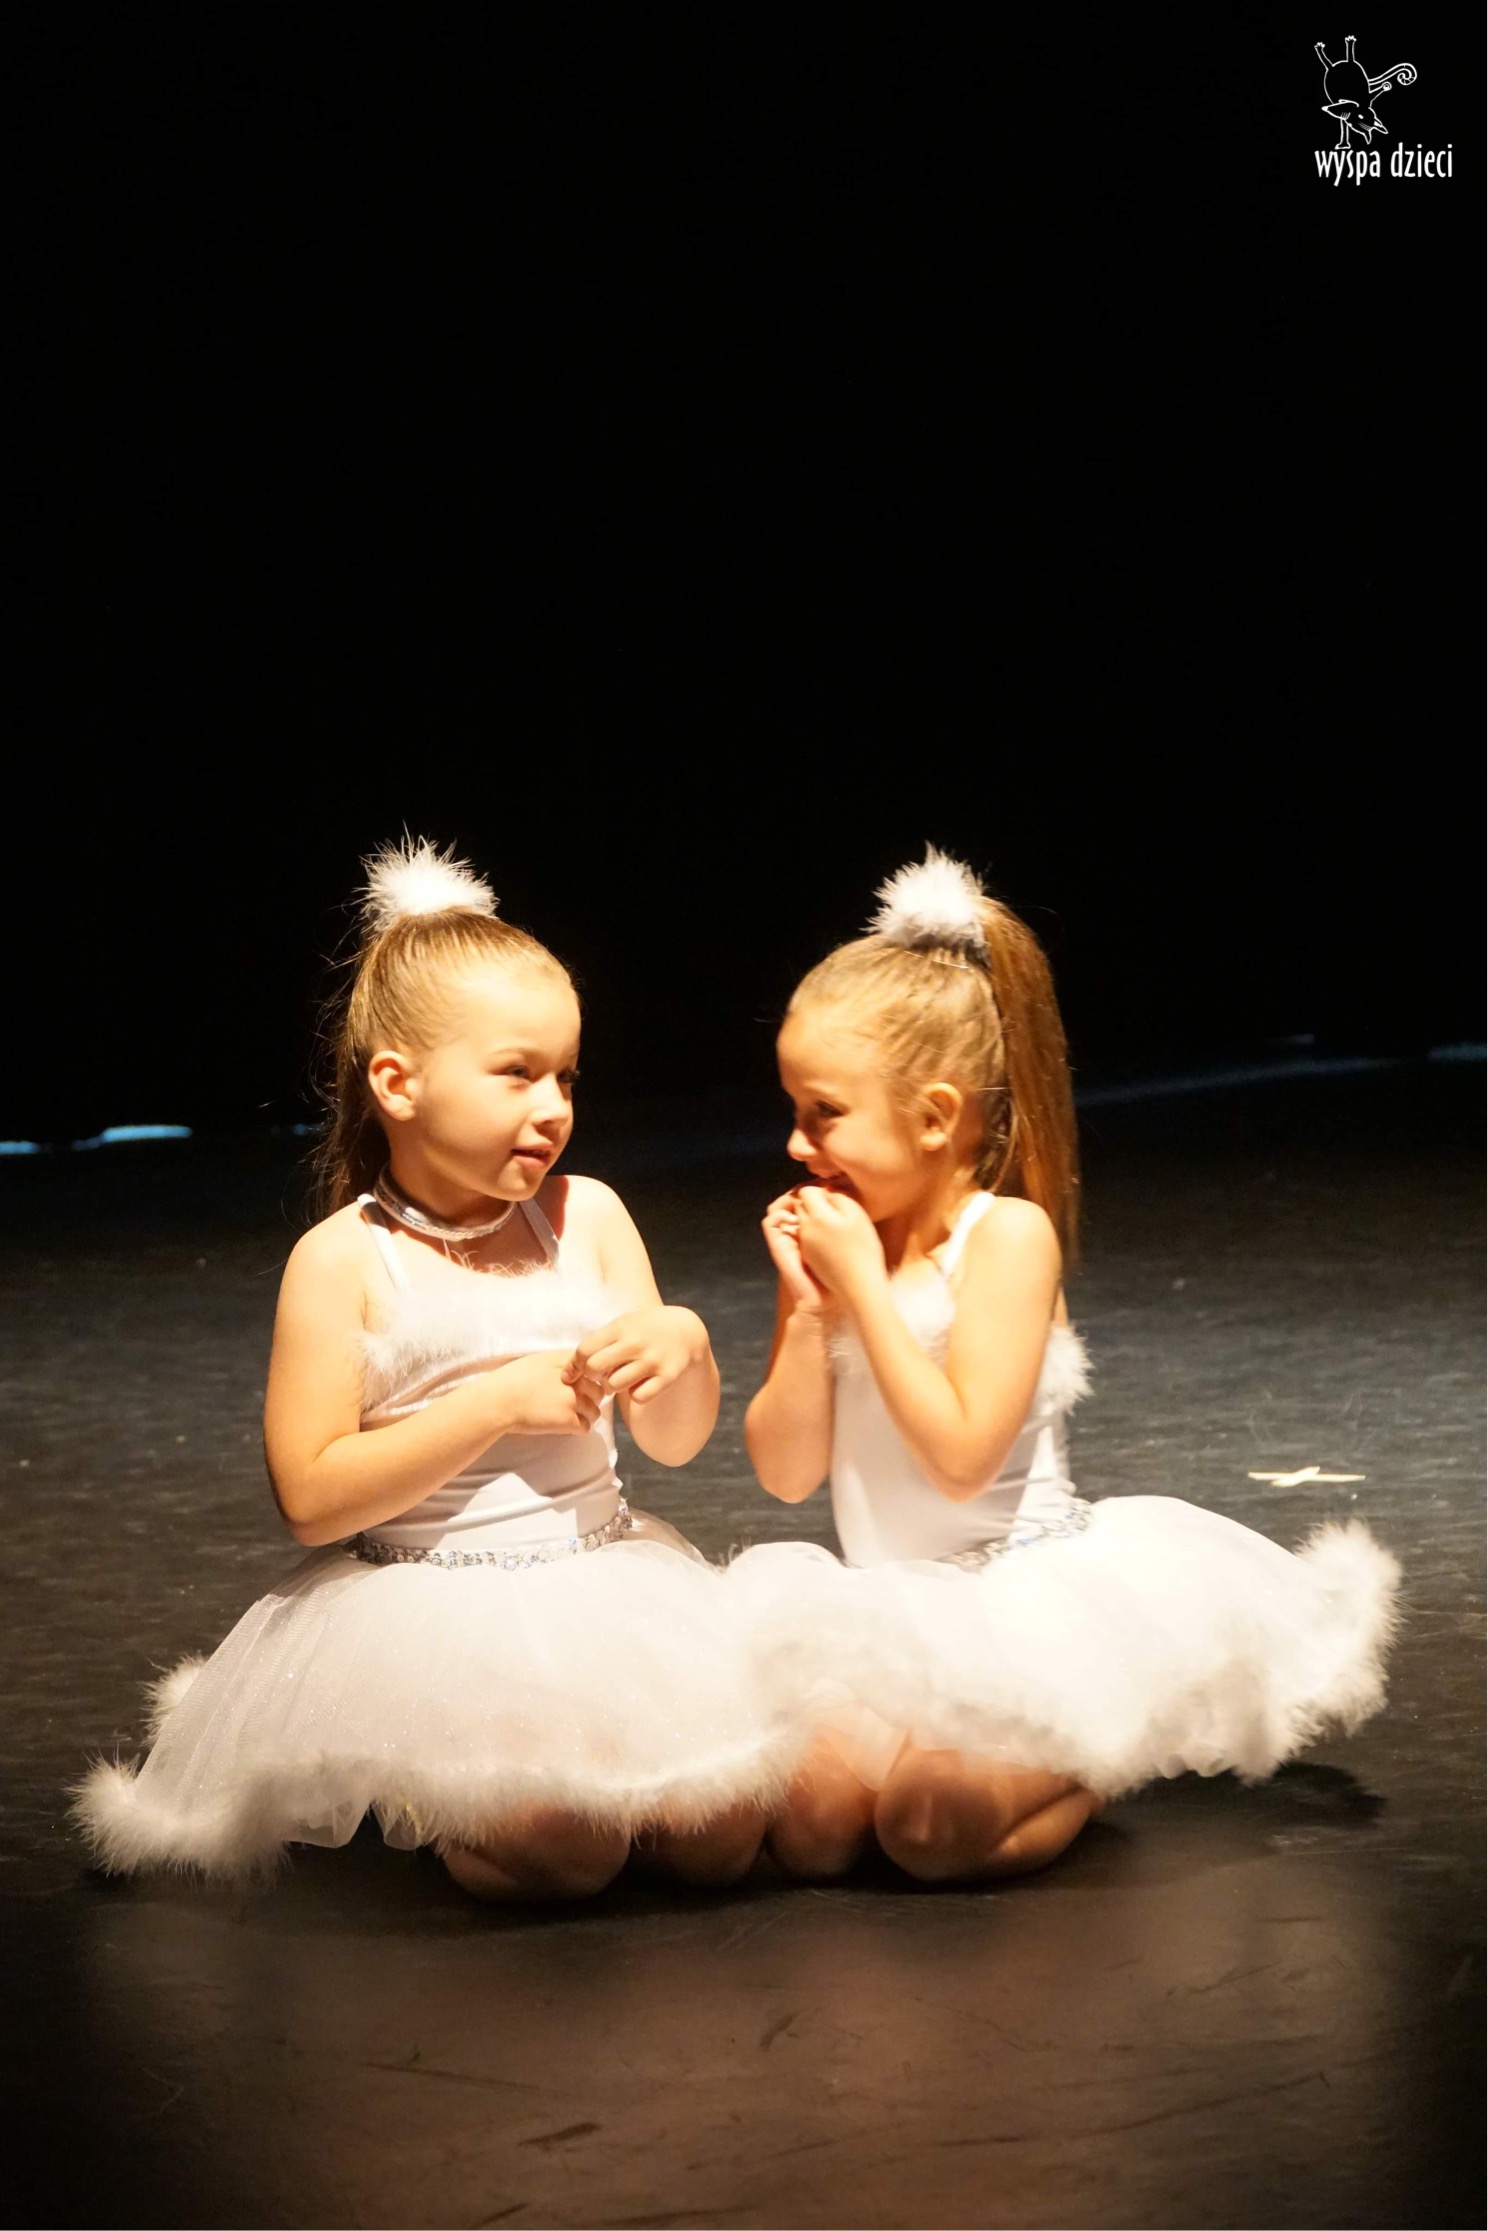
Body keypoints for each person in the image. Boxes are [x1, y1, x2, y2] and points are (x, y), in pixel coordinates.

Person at [76, 839, 792, 1900]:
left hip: (602, 1577)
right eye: (517, 1073)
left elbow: (674, 1441)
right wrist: (492, 1405)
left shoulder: (588, 1216)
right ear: (398, 1084)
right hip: (435, 1610)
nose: (553, 1106)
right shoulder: (342, 1260)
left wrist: (682, 1347)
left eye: (566, 1076)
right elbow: (312, 1497)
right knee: (561, 1846)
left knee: (720, 1833)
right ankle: (418, 1783)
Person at [740, 848, 1400, 1885]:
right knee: (810, 1828)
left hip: (1015, 1603)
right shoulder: (845, 1244)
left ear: (935, 1116)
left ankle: (1100, 1756)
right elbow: (784, 1473)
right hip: (888, 1603)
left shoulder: (1006, 1238)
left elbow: (962, 1458)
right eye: (793, 1108)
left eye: (824, 1112)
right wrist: (810, 1309)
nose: (796, 1141)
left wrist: (861, 1290)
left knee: (928, 1829)